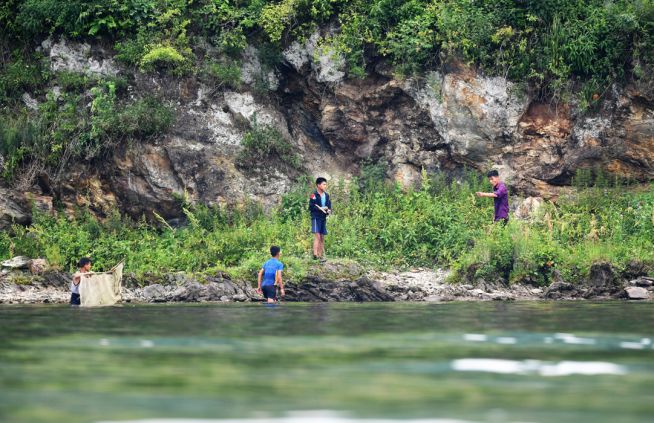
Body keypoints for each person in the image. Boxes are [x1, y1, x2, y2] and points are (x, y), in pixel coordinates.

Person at [308, 177, 332, 261]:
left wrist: (328, 210)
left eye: (326, 184)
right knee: (317, 236)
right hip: (315, 217)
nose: (325, 186)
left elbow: (329, 206)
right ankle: (315, 255)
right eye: (324, 184)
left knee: (322, 237)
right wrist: (320, 208)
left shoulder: (327, 195)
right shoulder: (313, 195)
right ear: (318, 185)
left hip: (323, 218)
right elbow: (311, 206)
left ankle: (320, 256)